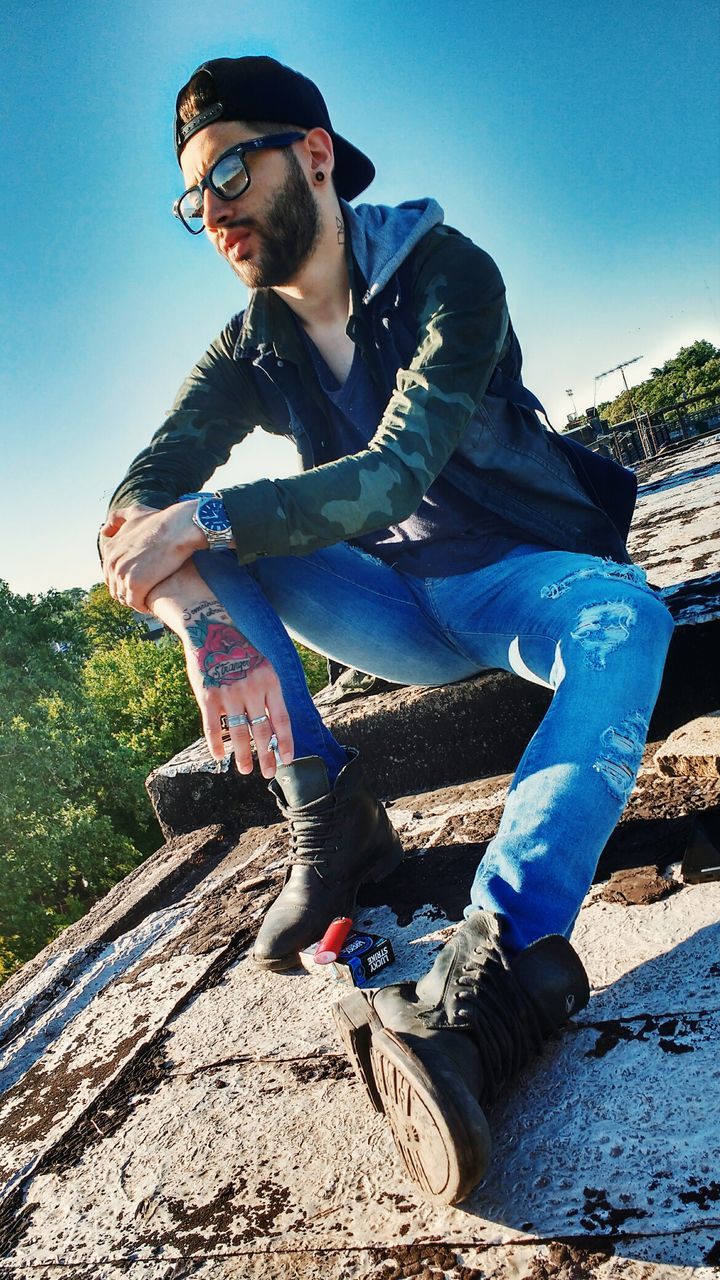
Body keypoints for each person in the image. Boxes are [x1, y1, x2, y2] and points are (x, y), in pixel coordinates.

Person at [101, 56, 674, 1204]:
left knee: (627, 617)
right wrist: (197, 614)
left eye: (227, 169)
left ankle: (496, 971)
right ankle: (337, 825)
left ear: (313, 151)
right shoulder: (251, 342)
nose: (212, 210)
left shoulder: (447, 272)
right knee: (186, 543)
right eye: (190, 198)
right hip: (390, 601)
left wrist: (195, 523)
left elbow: (392, 472)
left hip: (515, 576)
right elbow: (132, 508)